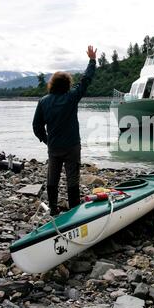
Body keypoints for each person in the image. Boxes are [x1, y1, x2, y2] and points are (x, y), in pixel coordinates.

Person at [33, 45, 97, 216]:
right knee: (72, 178)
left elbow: (36, 126)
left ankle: (53, 209)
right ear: (68, 84)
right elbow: (86, 80)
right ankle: (74, 211)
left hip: (54, 147)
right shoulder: (72, 97)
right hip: (72, 146)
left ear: (52, 84)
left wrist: (46, 140)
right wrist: (92, 60)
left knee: (52, 177)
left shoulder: (43, 101)